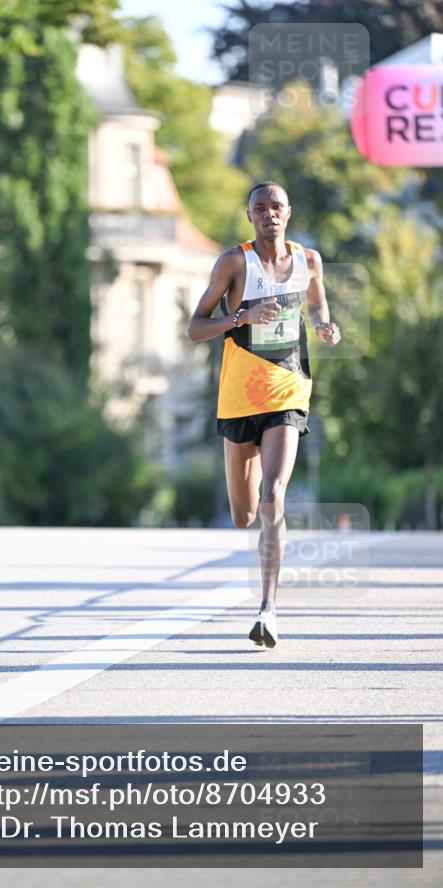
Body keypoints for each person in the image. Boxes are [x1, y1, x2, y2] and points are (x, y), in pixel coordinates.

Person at [188, 181, 341, 648]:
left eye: (276, 206)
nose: (269, 213)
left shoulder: (309, 260)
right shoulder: (234, 263)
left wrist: (324, 326)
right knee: (244, 514)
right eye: (260, 208)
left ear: (288, 212)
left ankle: (268, 609)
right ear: (250, 216)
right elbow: (196, 327)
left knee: (274, 494)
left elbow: (317, 302)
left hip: (288, 388)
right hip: (239, 396)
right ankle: (264, 590)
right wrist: (242, 318)